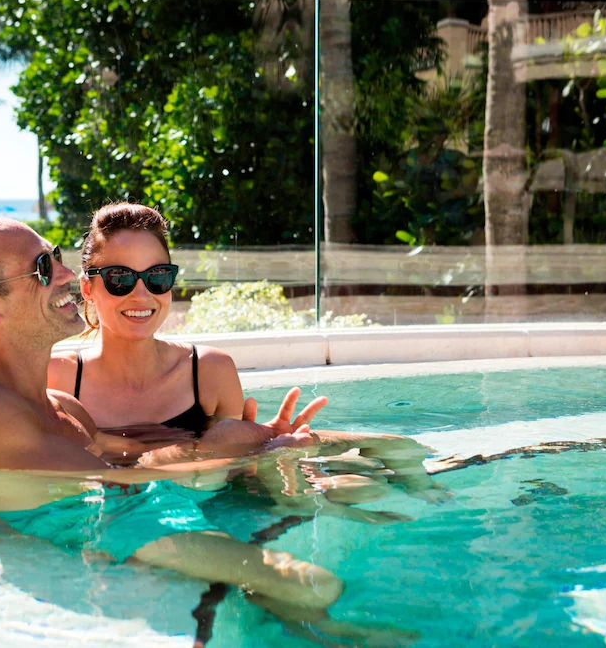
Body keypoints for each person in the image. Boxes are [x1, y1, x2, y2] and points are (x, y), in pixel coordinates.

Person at [0, 218, 356, 628]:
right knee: (311, 584)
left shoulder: (63, 406)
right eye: (43, 268)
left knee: (313, 570)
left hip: (124, 515)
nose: (67, 275)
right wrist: (220, 446)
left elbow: (138, 459)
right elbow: (110, 480)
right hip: (100, 529)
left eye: (57, 256)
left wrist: (270, 442)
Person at [48, 201, 445, 500]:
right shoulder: (59, 378)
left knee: (358, 485)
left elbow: (234, 481)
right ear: (87, 288)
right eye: (119, 278)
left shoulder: (209, 370)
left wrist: (270, 448)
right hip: (121, 513)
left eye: (157, 277)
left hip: (203, 502)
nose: (141, 294)